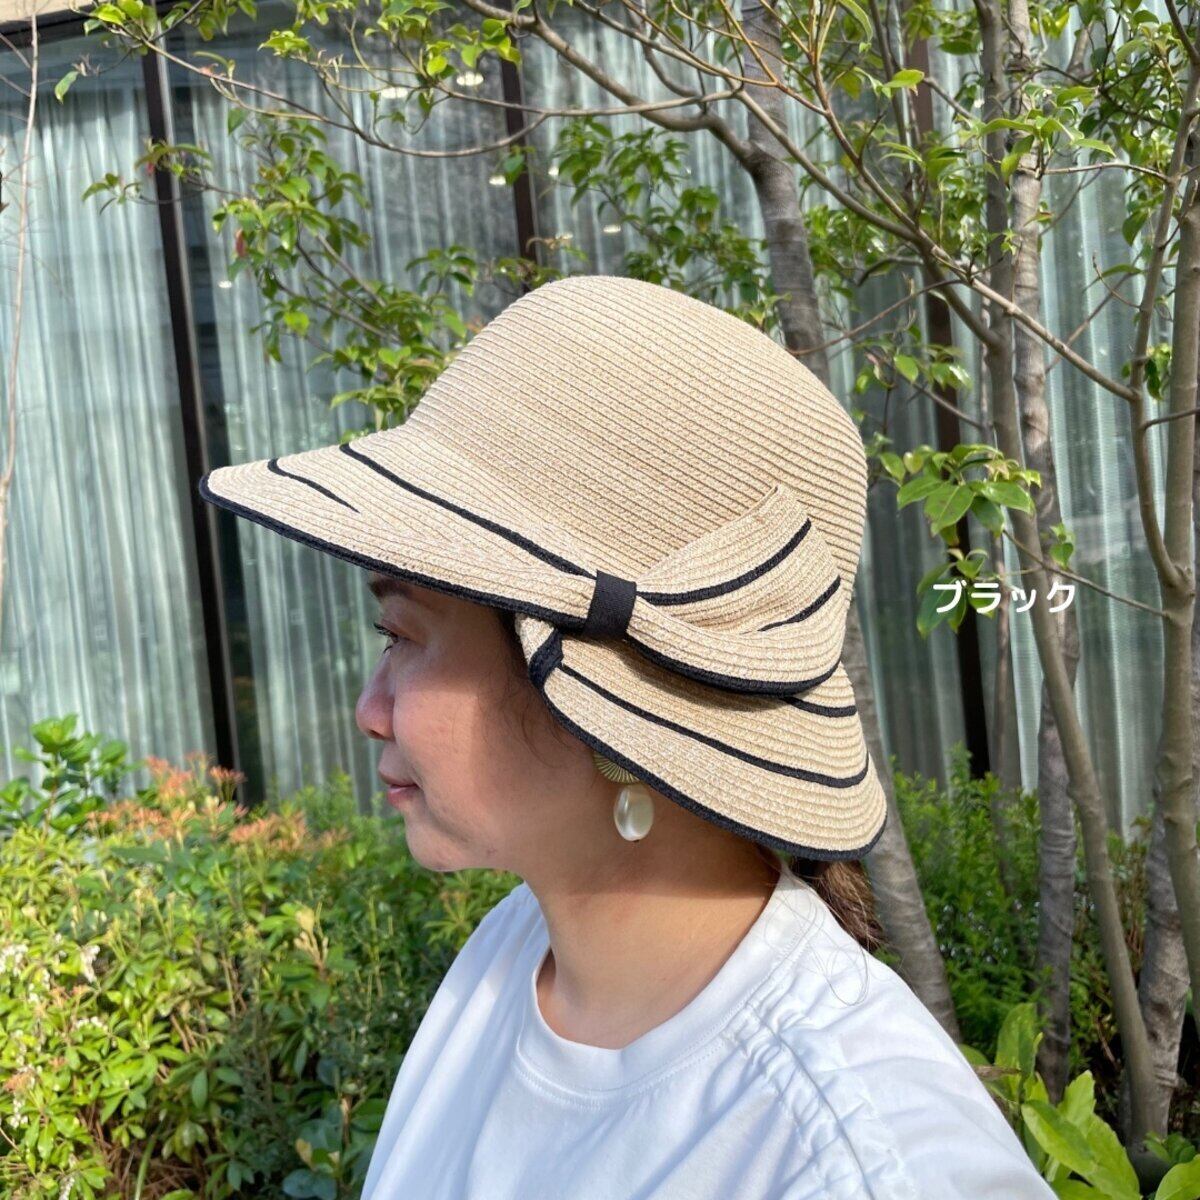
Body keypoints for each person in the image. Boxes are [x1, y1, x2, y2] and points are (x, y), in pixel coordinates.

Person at [199, 274, 1055, 1199]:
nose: (370, 708)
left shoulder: (863, 1162)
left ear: (602, 700)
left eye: (401, 635)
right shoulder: (511, 957)